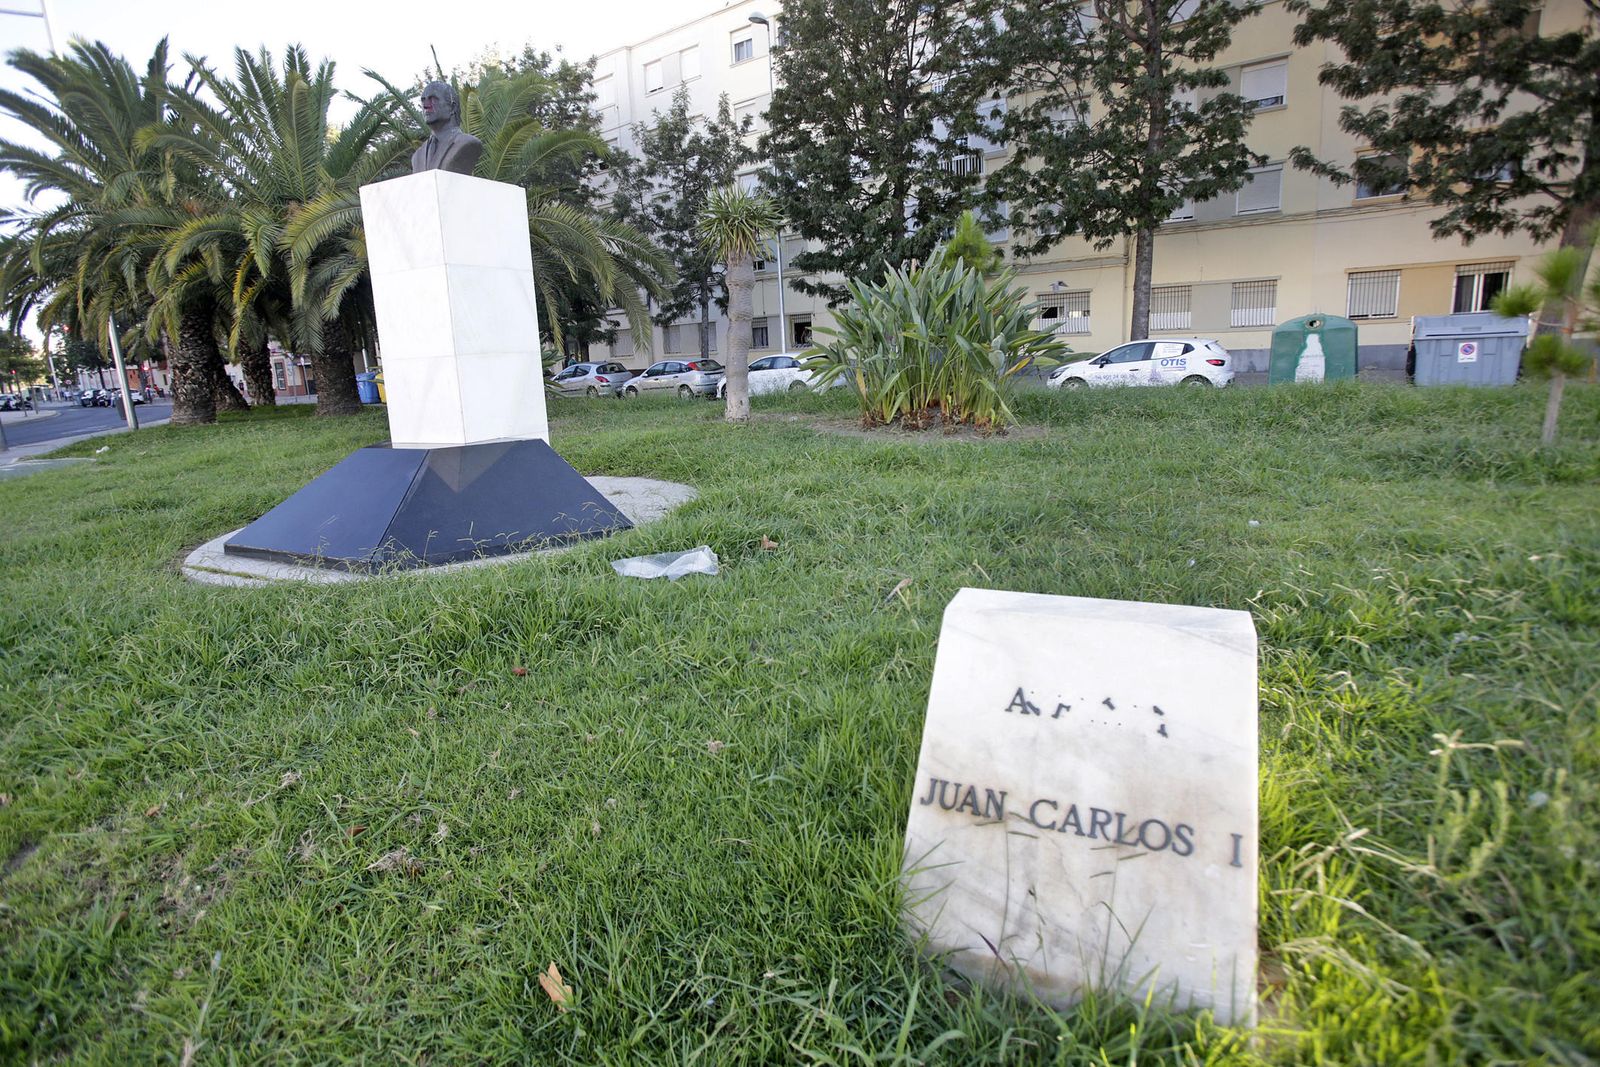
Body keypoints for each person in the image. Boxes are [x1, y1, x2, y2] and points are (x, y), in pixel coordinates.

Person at [410, 81, 483, 176]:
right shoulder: (417, 156)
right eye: (423, 100)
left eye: (433, 99)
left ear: (452, 107)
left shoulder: (468, 143)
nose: (426, 106)